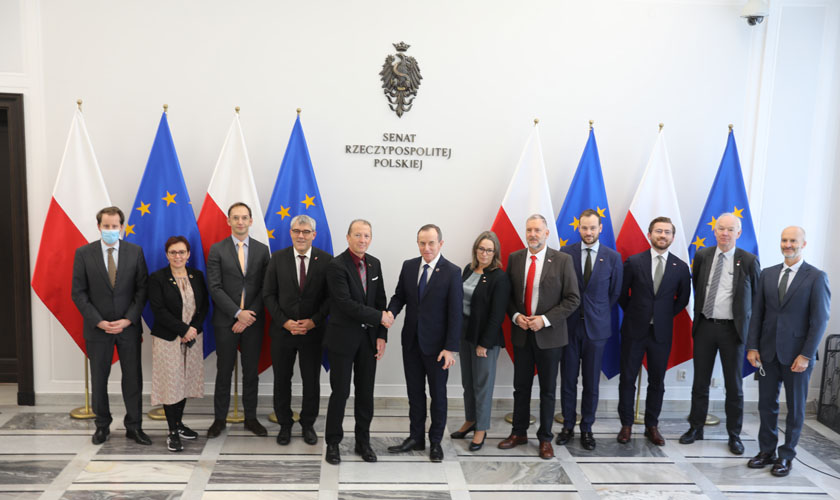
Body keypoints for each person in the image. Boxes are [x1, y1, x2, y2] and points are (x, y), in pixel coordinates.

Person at [746, 226, 830, 477]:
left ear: (803, 244)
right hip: (768, 353)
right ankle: (766, 451)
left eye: (793, 240)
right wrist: (752, 346)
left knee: (795, 409)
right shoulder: (768, 274)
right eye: (784, 240)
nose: (788, 244)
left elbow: (820, 320)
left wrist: (806, 355)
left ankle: (786, 456)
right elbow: (757, 314)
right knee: (766, 406)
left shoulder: (816, 277)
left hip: (798, 357)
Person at [498, 214, 580, 460]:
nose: (532, 234)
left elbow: (573, 299)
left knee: (547, 390)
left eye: (537, 230)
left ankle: (545, 439)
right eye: (529, 230)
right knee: (520, 388)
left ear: (546, 233)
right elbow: (508, 297)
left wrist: (543, 320)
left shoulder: (563, 260)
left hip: (550, 337)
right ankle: (518, 433)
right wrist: (516, 317)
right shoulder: (515, 259)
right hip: (521, 334)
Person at [679, 213, 759, 455]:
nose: (725, 233)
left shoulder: (748, 260)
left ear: (738, 233)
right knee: (700, 382)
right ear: (714, 231)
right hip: (705, 326)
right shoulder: (703, 256)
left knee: (734, 386)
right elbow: (698, 289)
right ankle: (696, 427)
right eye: (720, 229)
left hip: (732, 331)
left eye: (730, 229)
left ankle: (734, 434)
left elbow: (756, 299)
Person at [71, 206, 150, 445]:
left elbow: (142, 289)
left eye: (115, 226)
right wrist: (99, 321)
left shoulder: (135, 252)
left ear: (121, 227)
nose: (111, 230)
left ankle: (134, 426)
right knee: (99, 378)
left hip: (128, 328)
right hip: (98, 329)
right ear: (99, 227)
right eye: (106, 226)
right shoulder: (84, 253)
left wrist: (128, 319)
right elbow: (78, 293)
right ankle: (102, 426)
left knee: (133, 379)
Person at [386, 224, 463, 462]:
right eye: (422, 243)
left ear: (441, 243)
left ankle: (436, 442)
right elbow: (400, 296)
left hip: (439, 348)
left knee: (438, 396)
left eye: (431, 243)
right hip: (411, 343)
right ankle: (415, 437)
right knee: (415, 394)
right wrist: (391, 312)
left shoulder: (452, 271)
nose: (426, 248)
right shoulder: (409, 266)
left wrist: (450, 348)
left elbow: (455, 313)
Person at [616, 216, 690, 446]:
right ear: (649, 235)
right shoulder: (634, 262)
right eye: (658, 231)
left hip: (661, 334)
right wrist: (638, 313)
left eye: (667, 232)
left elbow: (682, 300)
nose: (662, 236)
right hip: (633, 330)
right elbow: (621, 294)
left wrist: (662, 316)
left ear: (672, 237)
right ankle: (626, 424)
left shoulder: (680, 267)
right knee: (628, 379)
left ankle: (652, 425)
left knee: (657, 381)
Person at [323, 219, 390, 465]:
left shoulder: (375, 264)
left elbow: (380, 300)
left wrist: (382, 335)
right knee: (340, 393)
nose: (363, 240)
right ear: (348, 237)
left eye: (367, 236)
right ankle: (333, 443)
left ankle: (363, 442)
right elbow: (345, 304)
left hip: (369, 341)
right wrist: (379, 317)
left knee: (365, 394)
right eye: (358, 235)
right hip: (342, 340)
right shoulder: (336, 265)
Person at [263, 215, 332, 446]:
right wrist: (284, 322)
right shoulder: (277, 258)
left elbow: (330, 298)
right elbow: (268, 295)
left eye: (305, 231)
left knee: (311, 380)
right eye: (296, 231)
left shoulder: (326, 260)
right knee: (282, 380)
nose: (300, 235)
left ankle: (308, 424)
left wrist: (313, 321)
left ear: (314, 234)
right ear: (291, 233)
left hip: (313, 332)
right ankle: (284, 424)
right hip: (283, 332)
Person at [557, 209, 623, 450]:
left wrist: (595, 312)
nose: (588, 232)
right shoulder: (565, 254)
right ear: (579, 228)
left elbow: (614, 293)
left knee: (591, 382)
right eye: (584, 228)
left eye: (592, 228)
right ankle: (567, 426)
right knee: (568, 380)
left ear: (600, 228)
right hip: (569, 327)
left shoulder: (612, 257)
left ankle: (587, 428)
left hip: (597, 330)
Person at [206, 202, 271, 438]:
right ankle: (219, 419)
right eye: (236, 218)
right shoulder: (217, 249)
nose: (240, 222)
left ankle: (251, 418)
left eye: (244, 218)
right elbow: (215, 287)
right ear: (229, 221)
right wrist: (237, 313)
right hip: (226, 321)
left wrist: (248, 315)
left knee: (251, 372)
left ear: (251, 221)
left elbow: (266, 287)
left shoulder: (263, 250)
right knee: (224, 371)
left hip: (253, 320)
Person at [148, 236, 208, 452]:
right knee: (171, 384)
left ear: (189, 254)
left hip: (193, 338)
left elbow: (204, 307)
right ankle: (172, 432)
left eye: (182, 252)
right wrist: (183, 330)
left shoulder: (197, 276)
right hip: (168, 339)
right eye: (173, 252)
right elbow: (158, 310)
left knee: (184, 383)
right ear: (167, 255)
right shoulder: (157, 278)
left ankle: (180, 424)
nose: (178, 256)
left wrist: (193, 329)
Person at [451, 231, 510, 452]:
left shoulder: (499, 277)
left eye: (489, 250)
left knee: (482, 385)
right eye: (481, 248)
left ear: (494, 253)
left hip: (485, 339)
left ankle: (481, 428)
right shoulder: (468, 269)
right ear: (476, 249)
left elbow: (497, 315)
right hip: (464, 334)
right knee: (468, 382)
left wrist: (484, 343)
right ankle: (471, 420)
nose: (484, 253)